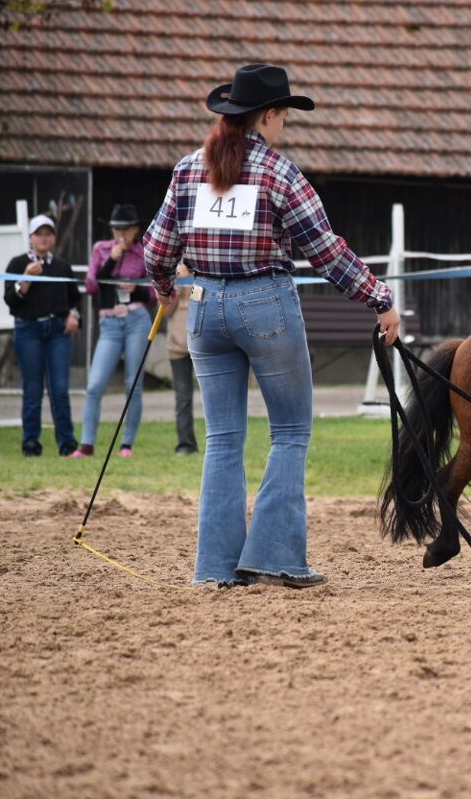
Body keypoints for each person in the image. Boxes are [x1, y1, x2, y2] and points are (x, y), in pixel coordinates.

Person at [143, 63, 400, 589]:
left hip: (205, 309)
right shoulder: (280, 174)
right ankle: (276, 557)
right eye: (282, 117)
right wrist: (379, 298)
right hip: (265, 304)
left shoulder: (189, 169)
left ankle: (215, 568)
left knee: (222, 439)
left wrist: (165, 285)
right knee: (289, 431)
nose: (283, 127)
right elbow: (326, 250)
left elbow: (156, 249)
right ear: (267, 117)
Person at [70, 204, 156, 459]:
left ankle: (127, 443)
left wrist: (136, 289)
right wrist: (112, 259)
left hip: (136, 319)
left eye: (126, 229)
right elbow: (92, 286)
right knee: (95, 384)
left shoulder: (143, 254)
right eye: (117, 228)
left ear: (135, 230)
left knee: (133, 383)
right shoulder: (101, 249)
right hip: (109, 323)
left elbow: (153, 294)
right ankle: (87, 444)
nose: (121, 234)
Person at [3, 215, 81, 457]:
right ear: (31, 238)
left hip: (57, 331)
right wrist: (26, 278)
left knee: (59, 388)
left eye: (48, 234)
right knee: (33, 389)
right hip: (28, 330)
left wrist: (74, 316)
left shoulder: (62, 266)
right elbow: (10, 301)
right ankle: (30, 444)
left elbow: (74, 299)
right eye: (39, 234)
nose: (44, 238)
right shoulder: (17, 264)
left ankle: (67, 444)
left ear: (54, 238)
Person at [167, 263, 198, 455]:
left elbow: (201, 303)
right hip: (177, 346)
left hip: (203, 344)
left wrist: (191, 282)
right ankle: (186, 444)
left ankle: (220, 444)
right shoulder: (173, 279)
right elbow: (166, 311)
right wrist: (178, 284)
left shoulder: (204, 275)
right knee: (183, 397)